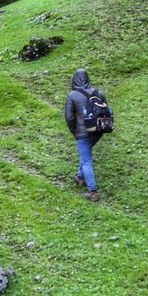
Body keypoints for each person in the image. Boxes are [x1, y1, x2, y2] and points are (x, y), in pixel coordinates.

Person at [64, 68, 102, 200]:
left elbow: (69, 117)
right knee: (85, 153)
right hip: (99, 131)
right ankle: (80, 177)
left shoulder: (72, 95)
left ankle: (93, 191)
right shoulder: (98, 92)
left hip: (83, 133)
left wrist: (74, 131)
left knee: (86, 160)